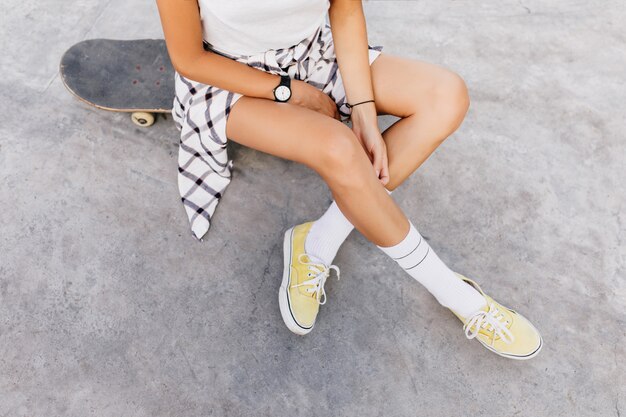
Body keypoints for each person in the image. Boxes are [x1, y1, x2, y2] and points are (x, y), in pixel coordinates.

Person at [155, 0, 542, 360]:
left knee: (446, 95)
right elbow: (190, 58)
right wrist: (290, 93)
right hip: (229, 79)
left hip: (310, 53)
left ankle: (318, 240)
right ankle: (457, 296)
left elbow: (345, 10)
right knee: (340, 149)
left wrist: (364, 110)